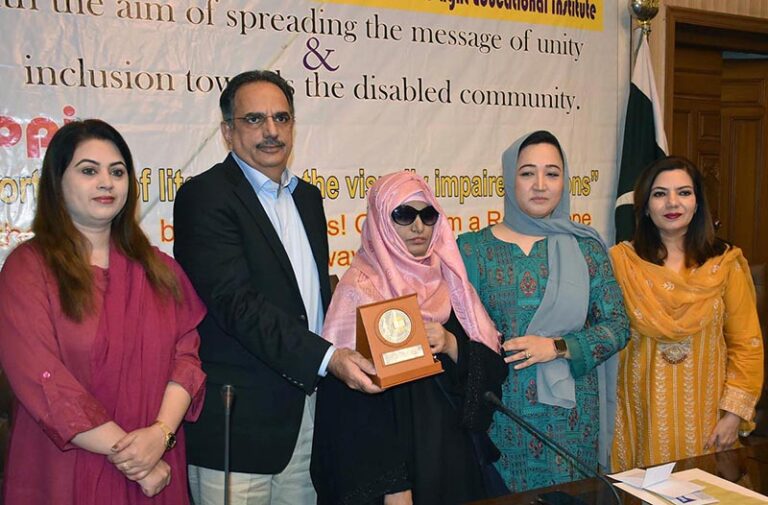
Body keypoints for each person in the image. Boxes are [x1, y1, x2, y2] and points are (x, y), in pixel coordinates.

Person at [173, 69, 379, 505]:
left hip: (307, 414)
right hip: (239, 425)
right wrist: (328, 357)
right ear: (228, 131)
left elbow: (312, 302)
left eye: (282, 119)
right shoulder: (205, 197)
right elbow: (236, 304)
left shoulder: (309, 198)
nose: (271, 131)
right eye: (254, 120)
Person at [0, 119, 206, 505]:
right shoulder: (28, 270)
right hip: (69, 468)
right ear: (58, 182)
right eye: (89, 171)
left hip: (156, 463)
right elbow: (44, 380)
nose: (106, 182)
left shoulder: (160, 270)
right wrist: (137, 460)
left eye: (117, 171)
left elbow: (187, 359)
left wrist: (160, 435)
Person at [311, 171, 507, 505]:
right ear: (380, 222)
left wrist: (452, 345)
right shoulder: (360, 289)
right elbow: (347, 401)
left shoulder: (453, 284)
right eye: (403, 215)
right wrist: (394, 485)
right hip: (391, 469)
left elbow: (492, 371)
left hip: (452, 461)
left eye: (427, 215)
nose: (419, 227)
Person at [458, 130, 629, 492]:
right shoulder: (472, 250)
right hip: (500, 416)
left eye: (552, 173)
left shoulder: (587, 249)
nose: (540, 184)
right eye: (527, 173)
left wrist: (558, 347)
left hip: (571, 425)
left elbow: (618, 325)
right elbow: (459, 334)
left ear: (564, 181)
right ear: (508, 178)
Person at [610, 156, 764, 471]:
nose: (672, 202)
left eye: (683, 192)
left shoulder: (724, 264)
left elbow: (746, 343)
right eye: (659, 193)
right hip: (639, 419)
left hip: (707, 421)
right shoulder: (621, 263)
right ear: (645, 206)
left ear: (697, 203)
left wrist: (733, 415)